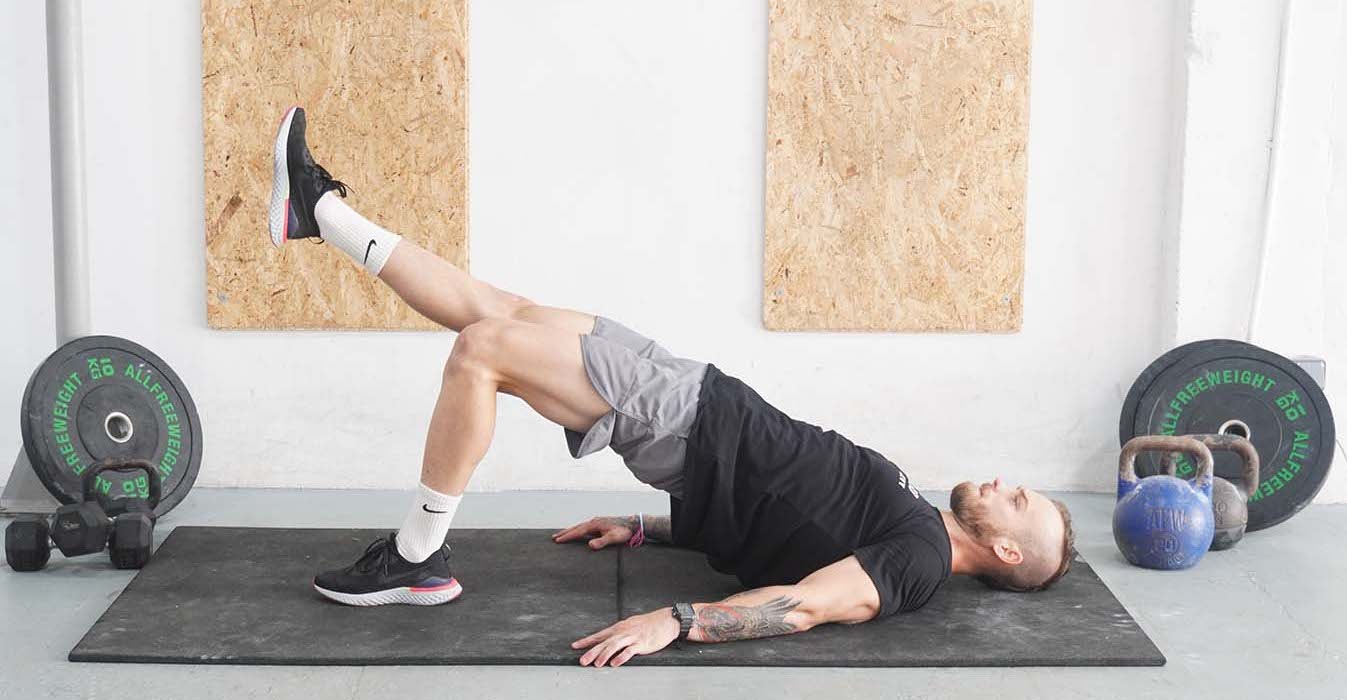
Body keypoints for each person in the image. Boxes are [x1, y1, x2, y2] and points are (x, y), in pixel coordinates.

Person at [268, 107, 1077, 667]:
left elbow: (805, 603)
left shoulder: (918, 560)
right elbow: (783, 517)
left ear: (1006, 550)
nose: (1004, 483)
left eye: (1019, 501)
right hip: (700, 394)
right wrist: (645, 529)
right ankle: (320, 213)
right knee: (504, 311)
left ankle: (416, 556)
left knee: (483, 351)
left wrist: (677, 620)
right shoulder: (916, 518)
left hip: (688, 424)